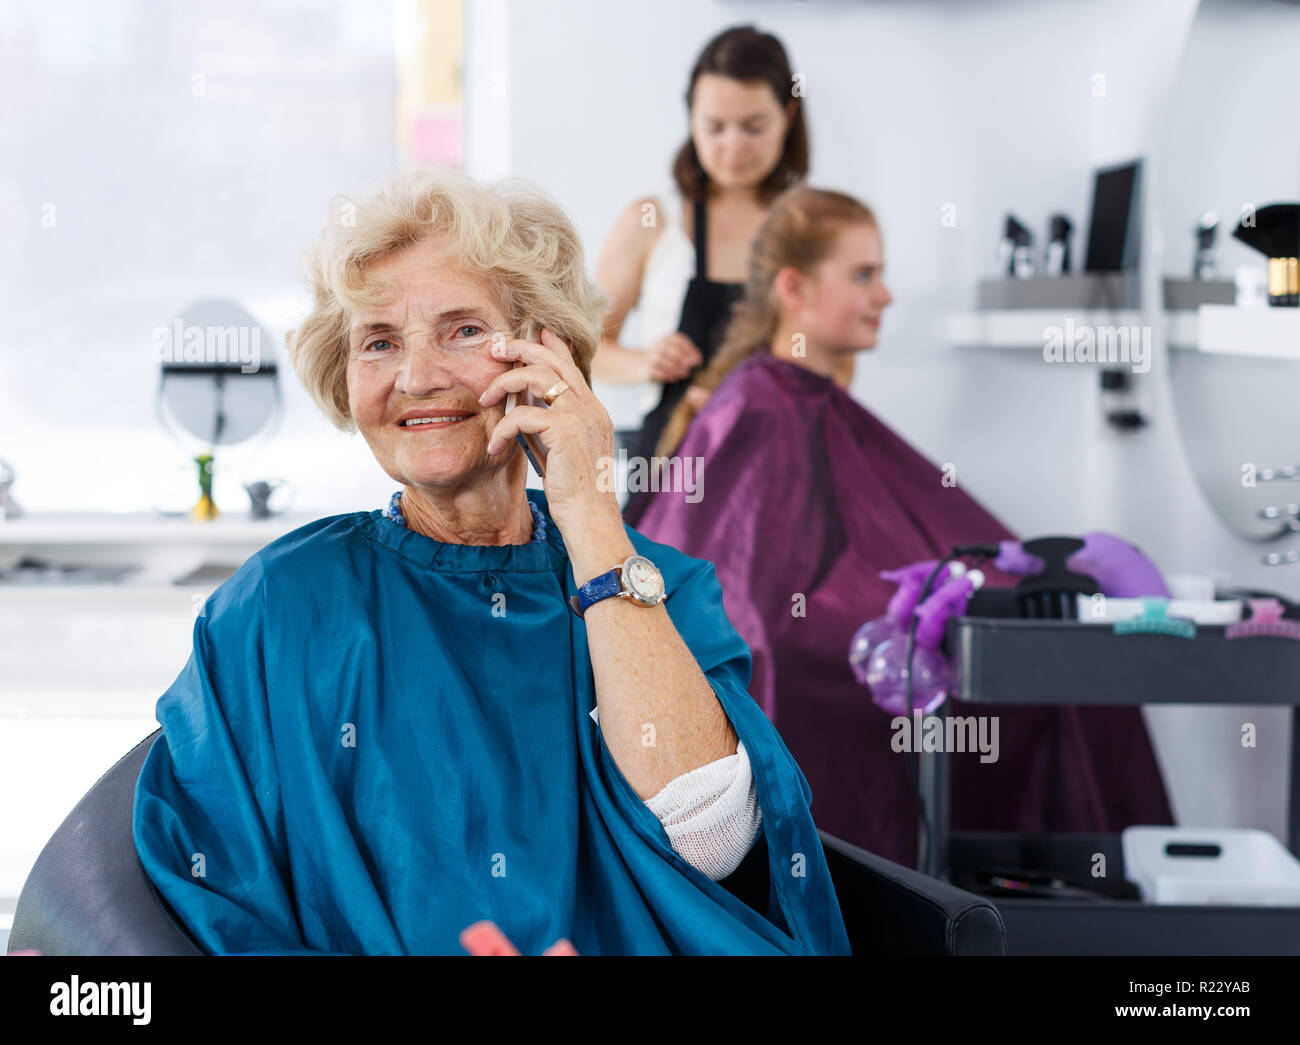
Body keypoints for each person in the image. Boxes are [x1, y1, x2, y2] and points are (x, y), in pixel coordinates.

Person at [130, 170, 851, 956]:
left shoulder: (657, 584)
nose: (416, 376)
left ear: (549, 355)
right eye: (379, 341)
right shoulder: (279, 603)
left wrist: (590, 518)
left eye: (463, 330)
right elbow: (212, 892)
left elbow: (709, 844)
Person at [633, 185, 1175, 866]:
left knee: (1066, 659)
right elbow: (757, 619)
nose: (885, 295)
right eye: (863, 275)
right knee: (1052, 684)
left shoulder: (802, 398)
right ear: (794, 288)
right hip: (822, 684)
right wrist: (894, 626)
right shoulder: (761, 408)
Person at [590, 25, 851, 523]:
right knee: (663, 594)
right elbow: (588, 348)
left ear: (788, 116)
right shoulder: (651, 220)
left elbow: (839, 370)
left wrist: (767, 394)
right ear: (690, 117)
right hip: (671, 469)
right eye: (714, 126)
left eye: (753, 126)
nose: (733, 146)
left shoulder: (814, 229)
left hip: (781, 465)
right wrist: (647, 360)